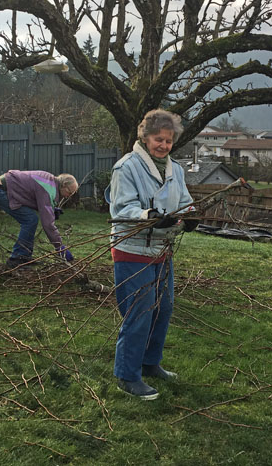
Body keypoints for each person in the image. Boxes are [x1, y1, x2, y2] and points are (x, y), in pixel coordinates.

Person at [108, 109, 199, 400]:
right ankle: (127, 374)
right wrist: (149, 216)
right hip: (132, 249)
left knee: (163, 308)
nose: (163, 145)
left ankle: (149, 363)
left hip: (162, 249)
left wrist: (190, 215)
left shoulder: (175, 169)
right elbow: (121, 209)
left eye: (168, 141)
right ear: (145, 138)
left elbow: (184, 201)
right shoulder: (127, 167)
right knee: (140, 312)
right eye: (158, 139)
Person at [0, 170, 79, 267]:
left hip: (3, 187)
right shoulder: (48, 189)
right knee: (30, 220)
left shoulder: (50, 181)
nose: (68, 197)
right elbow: (48, 224)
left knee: (31, 220)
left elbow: (34, 196)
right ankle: (17, 259)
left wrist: (51, 209)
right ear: (64, 185)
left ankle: (24, 256)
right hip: (0, 190)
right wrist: (60, 247)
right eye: (69, 193)